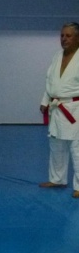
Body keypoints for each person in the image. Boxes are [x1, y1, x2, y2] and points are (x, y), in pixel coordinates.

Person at [39, 22, 79, 198]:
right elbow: (50, 82)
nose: (64, 39)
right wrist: (45, 100)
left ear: (77, 38)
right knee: (56, 145)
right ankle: (57, 179)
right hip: (56, 107)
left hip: (75, 108)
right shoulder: (57, 56)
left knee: (76, 147)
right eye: (62, 35)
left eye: (68, 36)